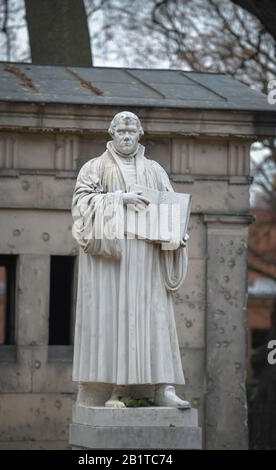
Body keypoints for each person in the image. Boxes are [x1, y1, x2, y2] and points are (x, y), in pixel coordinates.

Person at [71, 111, 190, 408]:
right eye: (121, 131)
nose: (126, 136)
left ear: (140, 134)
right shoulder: (94, 168)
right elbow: (80, 206)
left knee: (155, 319)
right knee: (114, 320)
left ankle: (162, 387)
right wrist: (118, 200)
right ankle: (115, 388)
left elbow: (170, 206)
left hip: (148, 258)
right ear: (112, 133)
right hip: (112, 259)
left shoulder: (155, 170)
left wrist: (177, 236)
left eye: (131, 131)